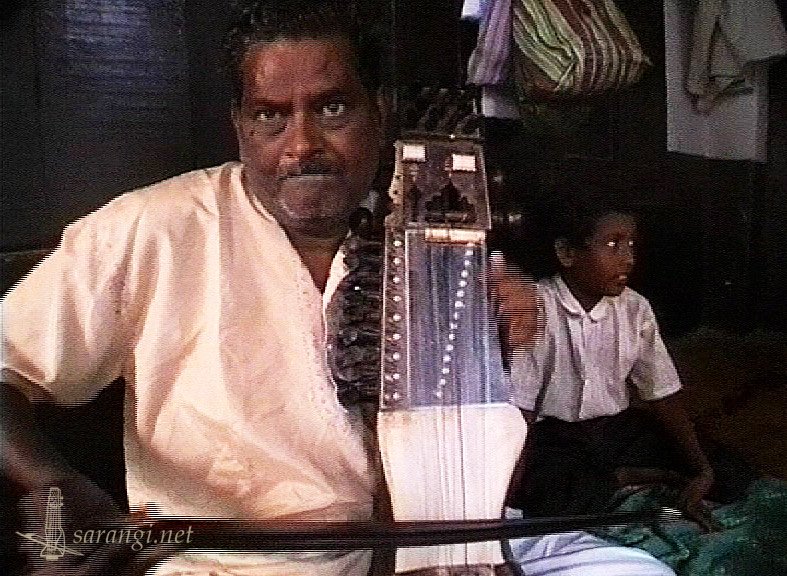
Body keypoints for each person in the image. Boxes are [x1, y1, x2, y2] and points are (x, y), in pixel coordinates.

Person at [1, 1, 675, 574]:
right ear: (239, 125)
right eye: (270, 116)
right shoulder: (152, 229)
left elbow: (481, 467)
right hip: (234, 565)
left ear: (378, 112)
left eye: (331, 108)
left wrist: (494, 354)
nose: (302, 144)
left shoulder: (433, 232)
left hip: (433, 543)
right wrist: (54, 482)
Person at [509, 197, 715, 525]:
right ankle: (625, 477)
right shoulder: (534, 307)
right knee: (554, 498)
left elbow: (662, 393)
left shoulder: (636, 308)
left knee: (725, 469)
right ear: (567, 253)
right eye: (612, 245)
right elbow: (522, 411)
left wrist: (702, 470)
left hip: (618, 430)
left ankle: (625, 475)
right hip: (556, 438)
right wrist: (508, 492)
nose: (628, 259)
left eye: (631, 245)